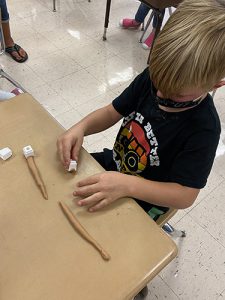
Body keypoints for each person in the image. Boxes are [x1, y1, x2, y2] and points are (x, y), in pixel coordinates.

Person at [57, 0, 225, 222]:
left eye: (178, 94)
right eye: (158, 79)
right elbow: (111, 111)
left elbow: (185, 195)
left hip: (145, 201)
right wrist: (81, 128)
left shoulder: (205, 128)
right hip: (115, 167)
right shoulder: (151, 78)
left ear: (215, 84)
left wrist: (128, 185)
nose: (161, 94)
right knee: (59, 187)